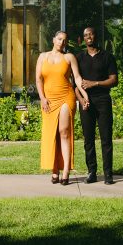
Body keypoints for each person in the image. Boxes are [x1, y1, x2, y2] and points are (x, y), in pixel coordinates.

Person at [35, 29, 88, 185]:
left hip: (66, 97)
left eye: (64, 40)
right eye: (59, 39)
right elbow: (38, 80)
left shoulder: (69, 57)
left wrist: (85, 95)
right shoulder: (42, 57)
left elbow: (77, 78)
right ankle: (54, 171)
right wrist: (42, 98)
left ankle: (65, 171)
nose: (61, 42)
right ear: (53, 39)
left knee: (63, 132)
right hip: (48, 100)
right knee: (52, 135)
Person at [76, 26, 118, 185]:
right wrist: (81, 100)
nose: (88, 37)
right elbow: (75, 85)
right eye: (85, 35)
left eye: (91, 34)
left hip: (103, 100)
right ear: (83, 39)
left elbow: (114, 80)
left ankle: (108, 174)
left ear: (95, 36)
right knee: (88, 139)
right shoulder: (79, 58)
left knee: (106, 138)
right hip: (86, 102)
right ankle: (92, 172)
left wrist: (95, 83)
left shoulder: (107, 57)